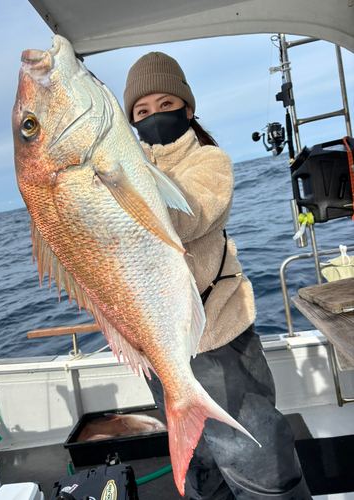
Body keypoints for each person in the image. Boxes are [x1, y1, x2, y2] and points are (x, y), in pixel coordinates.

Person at [123, 52, 312, 500]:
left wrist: (114, 183)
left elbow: (186, 217)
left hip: (217, 342)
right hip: (157, 350)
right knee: (199, 468)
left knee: (259, 463)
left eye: (166, 105)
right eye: (141, 112)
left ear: (188, 109)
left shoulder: (210, 162)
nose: (154, 117)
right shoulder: (123, 168)